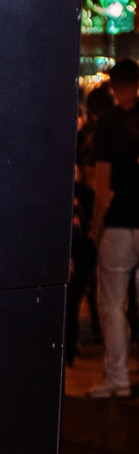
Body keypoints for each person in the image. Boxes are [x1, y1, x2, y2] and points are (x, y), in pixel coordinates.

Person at [89, 58, 139, 397]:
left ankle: (118, 377)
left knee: (110, 303)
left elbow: (102, 180)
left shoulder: (107, 124)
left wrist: (96, 222)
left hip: (119, 223)